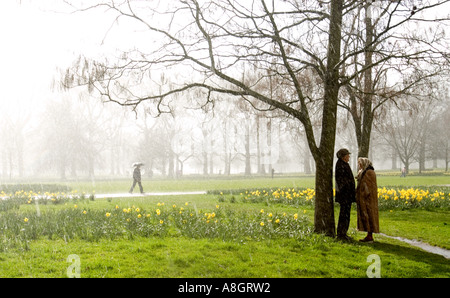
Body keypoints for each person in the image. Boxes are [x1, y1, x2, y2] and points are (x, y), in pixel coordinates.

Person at [355, 157, 379, 243]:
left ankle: (370, 236)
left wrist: (362, 193)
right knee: (367, 216)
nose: (359, 165)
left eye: (360, 163)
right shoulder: (364, 171)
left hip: (368, 198)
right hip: (365, 198)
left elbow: (367, 186)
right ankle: (369, 236)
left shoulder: (369, 172)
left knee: (369, 216)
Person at [335, 148, 356, 241]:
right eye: (348, 155)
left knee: (345, 214)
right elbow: (342, 181)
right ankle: (341, 233)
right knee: (344, 214)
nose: (349, 157)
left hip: (346, 194)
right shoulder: (341, 165)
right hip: (345, 195)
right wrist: (348, 188)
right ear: (343, 156)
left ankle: (343, 233)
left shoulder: (342, 164)